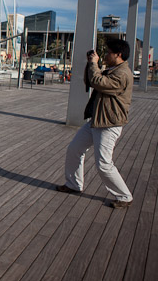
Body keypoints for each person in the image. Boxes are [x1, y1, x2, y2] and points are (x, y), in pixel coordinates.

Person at [56, 39, 134, 208]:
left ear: (118, 55)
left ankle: (124, 196)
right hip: (97, 120)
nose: (105, 55)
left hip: (109, 124)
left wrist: (94, 64)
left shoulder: (122, 74)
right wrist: (90, 64)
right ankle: (73, 185)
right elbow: (91, 80)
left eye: (108, 52)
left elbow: (99, 83)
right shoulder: (112, 70)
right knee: (74, 149)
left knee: (104, 164)